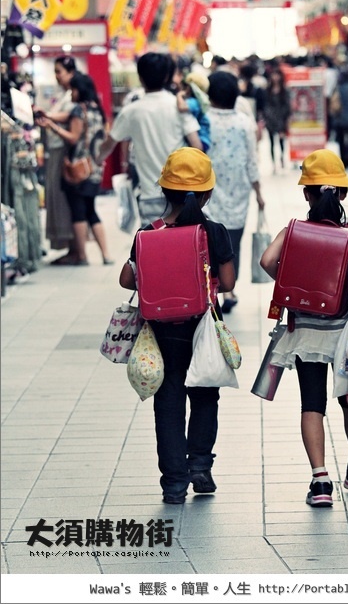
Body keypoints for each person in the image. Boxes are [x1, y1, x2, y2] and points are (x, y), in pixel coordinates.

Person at [260, 149, 348, 508]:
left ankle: (320, 481)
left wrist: (292, 282)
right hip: (343, 334)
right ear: (342, 194)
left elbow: (267, 261)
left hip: (305, 332)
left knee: (311, 403)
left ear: (306, 194)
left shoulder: (293, 230)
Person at [118, 147, 235, 504]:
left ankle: (173, 483)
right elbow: (227, 282)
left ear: (163, 191)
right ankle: (199, 465)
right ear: (207, 193)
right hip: (201, 327)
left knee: (167, 402)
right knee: (204, 394)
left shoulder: (148, 232)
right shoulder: (213, 231)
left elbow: (126, 280)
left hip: (161, 329)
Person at [97, 52, 202, 227]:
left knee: (154, 246)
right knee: (182, 245)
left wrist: (96, 158)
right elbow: (197, 145)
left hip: (149, 194)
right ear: (168, 76)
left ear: (140, 77)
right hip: (181, 191)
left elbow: (108, 144)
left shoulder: (132, 111)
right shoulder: (178, 107)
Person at [204, 71, 265, 314]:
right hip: (239, 192)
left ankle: (213, 291)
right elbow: (252, 161)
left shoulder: (203, 120)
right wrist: (259, 192)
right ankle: (229, 289)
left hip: (209, 192)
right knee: (232, 244)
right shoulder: (244, 123)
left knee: (209, 244)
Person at [37, 73, 113, 265]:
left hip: (77, 169)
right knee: (91, 210)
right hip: (94, 168)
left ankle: (81, 255)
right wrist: (48, 115)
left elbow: (72, 137)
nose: (71, 93)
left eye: (73, 89)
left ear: (79, 90)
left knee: (78, 211)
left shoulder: (80, 110)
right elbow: (66, 116)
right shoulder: (97, 109)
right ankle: (105, 254)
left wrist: (51, 126)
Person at [38, 56, 78, 262]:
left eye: (59, 71)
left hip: (63, 152)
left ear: (70, 72)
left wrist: (49, 118)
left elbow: (69, 116)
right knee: (58, 197)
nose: (56, 76)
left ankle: (73, 248)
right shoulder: (65, 94)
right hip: (57, 150)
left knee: (62, 197)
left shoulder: (73, 95)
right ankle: (70, 247)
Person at [264, 67, 291, 172]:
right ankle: (274, 162)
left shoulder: (284, 90)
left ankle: (282, 159)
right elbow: (265, 104)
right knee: (271, 142)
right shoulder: (268, 90)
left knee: (281, 141)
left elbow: (287, 106)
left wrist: (286, 118)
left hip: (281, 119)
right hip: (270, 119)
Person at [176, 71, 211, 152]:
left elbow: (181, 107)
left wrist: (179, 95)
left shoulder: (194, 102)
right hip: (203, 139)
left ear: (189, 88)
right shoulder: (198, 101)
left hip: (201, 140)